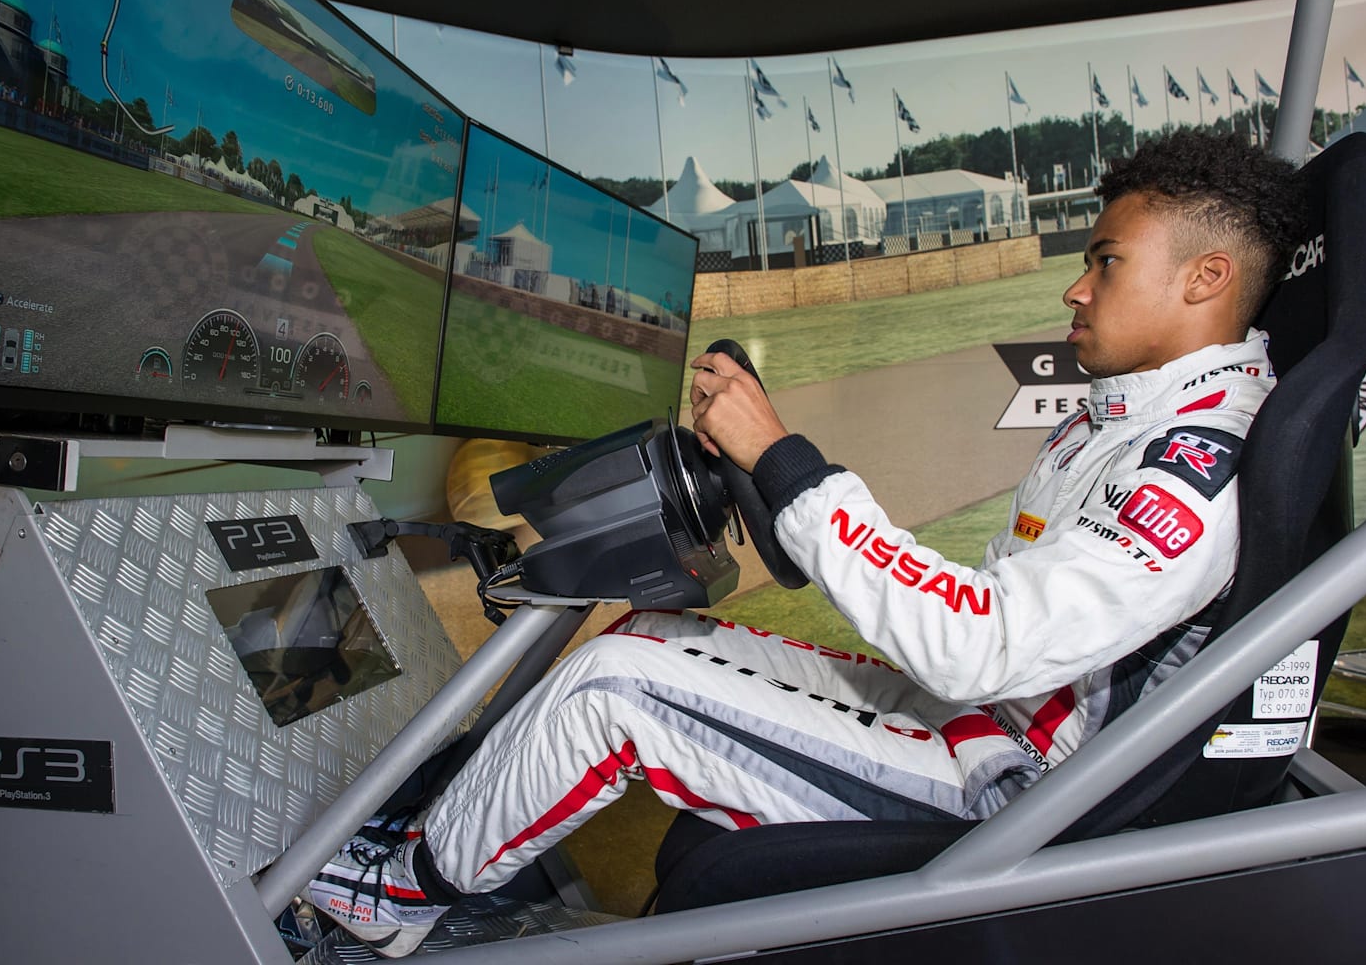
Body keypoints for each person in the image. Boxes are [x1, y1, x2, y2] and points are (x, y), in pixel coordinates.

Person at [308, 130, 1306, 956]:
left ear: (1205, 278)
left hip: (1016, 787)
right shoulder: (1129, 419)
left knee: (614, 687)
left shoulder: (1197, 464)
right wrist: (779, 480)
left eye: (1105, 261)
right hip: (981, 717)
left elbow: (981, 643)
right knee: (648, 633)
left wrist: (786, 467)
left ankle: (396, 894)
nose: (1075, 290)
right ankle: (444, 828)